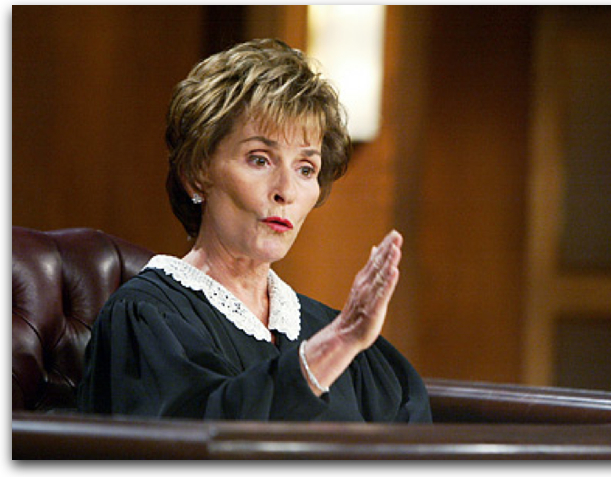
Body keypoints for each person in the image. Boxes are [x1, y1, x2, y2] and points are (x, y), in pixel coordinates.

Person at [78, 39, 432, 423]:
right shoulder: (145, 317)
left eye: (306, 169)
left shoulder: (335, 330)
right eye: (260, 160)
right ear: (196, 173)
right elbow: (201, 434)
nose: (286, 191)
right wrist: (336, 345)